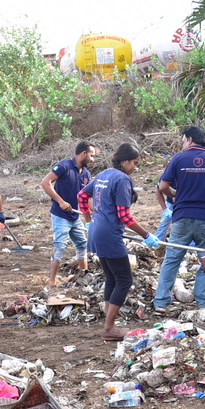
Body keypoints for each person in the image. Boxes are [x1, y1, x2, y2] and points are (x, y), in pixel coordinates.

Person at [78, 143, 160, 341]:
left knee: (112, 279)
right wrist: (146, 235)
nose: (135, 168)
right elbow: (125, 216)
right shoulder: (122, 179)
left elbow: (82, 196)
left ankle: (110, 324)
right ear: (124, 161)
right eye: (134, 163)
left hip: (97, 231)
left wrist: (90, 221)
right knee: (124, 280)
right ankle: (108, 329)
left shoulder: (104, 174)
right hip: (109, 235)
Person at [152, 126, 205, 312]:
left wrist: (176, 195)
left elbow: (162, 186)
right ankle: (204, 302)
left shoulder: (178, 159)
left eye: (184, 140)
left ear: (190, 139)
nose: (183, 144)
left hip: (182, 218)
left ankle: (161, 302)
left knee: (172, 260)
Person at [40, 141, 95, 286]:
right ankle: (52, 282)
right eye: (91, 155)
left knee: (82, 244)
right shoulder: (64, 166)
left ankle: (84, 277)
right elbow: (45, 183)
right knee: (60, 246)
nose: (92, 159)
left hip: (75, 215)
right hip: (60, 215)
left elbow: (87, 198)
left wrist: (97, 211)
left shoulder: (86, 174)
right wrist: (60, 201)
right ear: (83, 153)